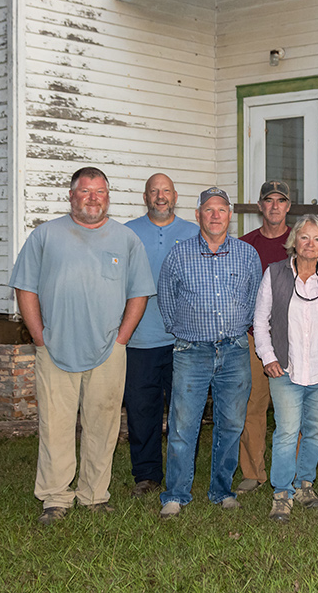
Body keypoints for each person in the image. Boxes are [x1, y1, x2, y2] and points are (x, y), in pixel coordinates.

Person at [10, 167, 155, 525]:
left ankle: (94, 495)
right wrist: (38, 336)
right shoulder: (45, 236)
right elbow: (25, 288)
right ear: (71, 195)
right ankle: (56, 497)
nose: (93, 198)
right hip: (55, 348)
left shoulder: (126, 239)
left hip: (108, 350)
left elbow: (139, 292)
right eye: (85, 191)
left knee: (103, 425)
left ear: (108, 196)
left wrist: (122, 338)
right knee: (55, 425)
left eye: (100, 191)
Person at [156, 187, 264, 518]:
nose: (215, 215)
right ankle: (176, 493)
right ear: (198, 214)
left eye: (221, 209)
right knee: (183, 424)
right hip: (191, 351)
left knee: (230, 423)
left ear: (229, 215)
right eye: (208, 209)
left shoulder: (247, 254)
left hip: (234, 350)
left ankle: (221, 490)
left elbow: (254, 299)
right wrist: (184, 331)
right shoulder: (179, 254)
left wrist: (238, 325)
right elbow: (166, 299)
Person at [252, 216, 318, 523]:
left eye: (317, 238)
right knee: (285, 432)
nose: (310, 244)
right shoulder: (275, 274)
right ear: (294, 241)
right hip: (286, 369)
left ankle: (305, 485)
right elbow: (260, 321)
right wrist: (267, 356)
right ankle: (282, 494)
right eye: (304, 238)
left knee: (313, 432)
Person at [124, 173, 199, 496]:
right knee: (142, 410)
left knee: (184, 410)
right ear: (145, 197)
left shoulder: (193, 233)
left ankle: (181, 472)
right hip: (140, 337)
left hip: (182, 340)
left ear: (175, 196)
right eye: (154, 191)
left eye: (165, 191)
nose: (160, 196)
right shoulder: (127, 233)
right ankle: (147, 474)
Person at [234, 179, 292, 494]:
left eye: (280, 201)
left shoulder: (300, 242)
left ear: (288, 206)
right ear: (260, 206)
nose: (274, 206)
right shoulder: (245, 245)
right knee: (252, 404)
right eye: (268, 200)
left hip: (293, 338)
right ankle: (253, 473)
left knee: (289, 406)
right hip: (254, 338)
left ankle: (290, 470)